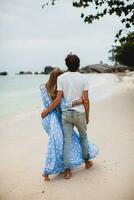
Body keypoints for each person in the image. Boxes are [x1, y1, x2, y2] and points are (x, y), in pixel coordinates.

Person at [41, 60, 98, 180]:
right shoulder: (81, 79)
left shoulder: (43, 89)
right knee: (81, 138)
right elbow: (63, 104)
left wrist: (46, 112)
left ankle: (65, 169)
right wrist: (81, 104)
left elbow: (51, 105)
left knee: (61, 143)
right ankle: (86, 161)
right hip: (63, 118)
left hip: (50, 121)